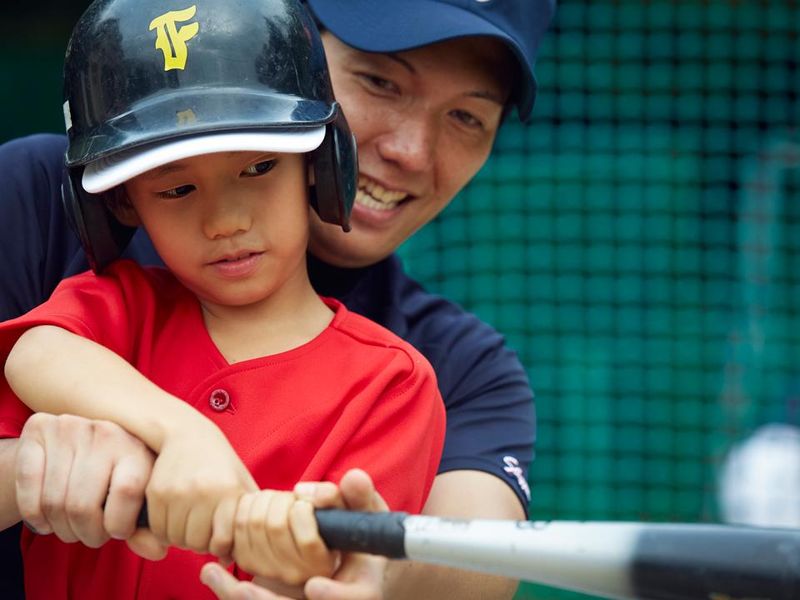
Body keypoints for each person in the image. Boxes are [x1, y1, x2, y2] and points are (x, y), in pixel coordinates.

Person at [0, 0, 557, 598]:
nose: (410, 151)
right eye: (380, 81)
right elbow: (36, 350)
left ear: (320, 158)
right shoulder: (73, 241)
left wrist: (339, 569)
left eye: (467, 117)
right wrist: (138, 442)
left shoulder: (417, 373)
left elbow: (476, 567)